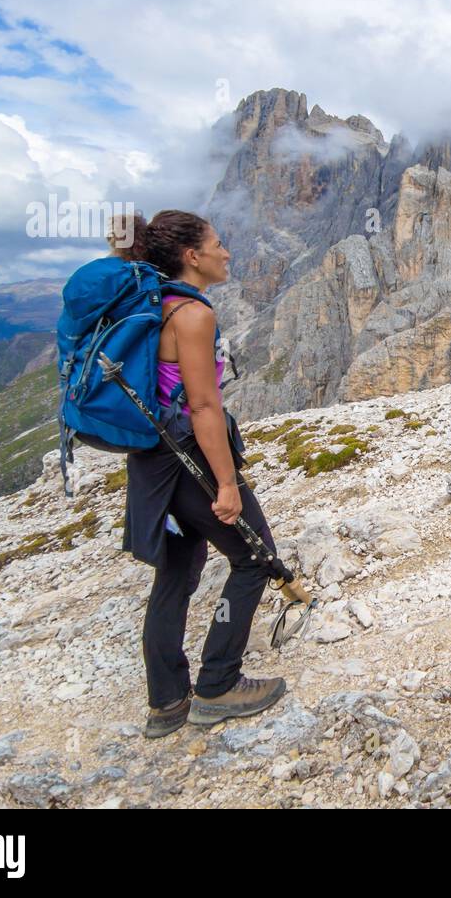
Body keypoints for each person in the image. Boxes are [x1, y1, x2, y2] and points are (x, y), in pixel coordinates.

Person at [110, 209, 287, 739]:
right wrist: (228, 483)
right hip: (189, 459)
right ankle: (217, 686)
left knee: (177, 573)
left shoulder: (149, 301)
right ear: (192, 256)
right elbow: (204, 407)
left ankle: (166, 702)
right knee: (254, 559)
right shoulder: (192, 314)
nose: (226, 251)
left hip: (152, 465)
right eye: (217, 242)